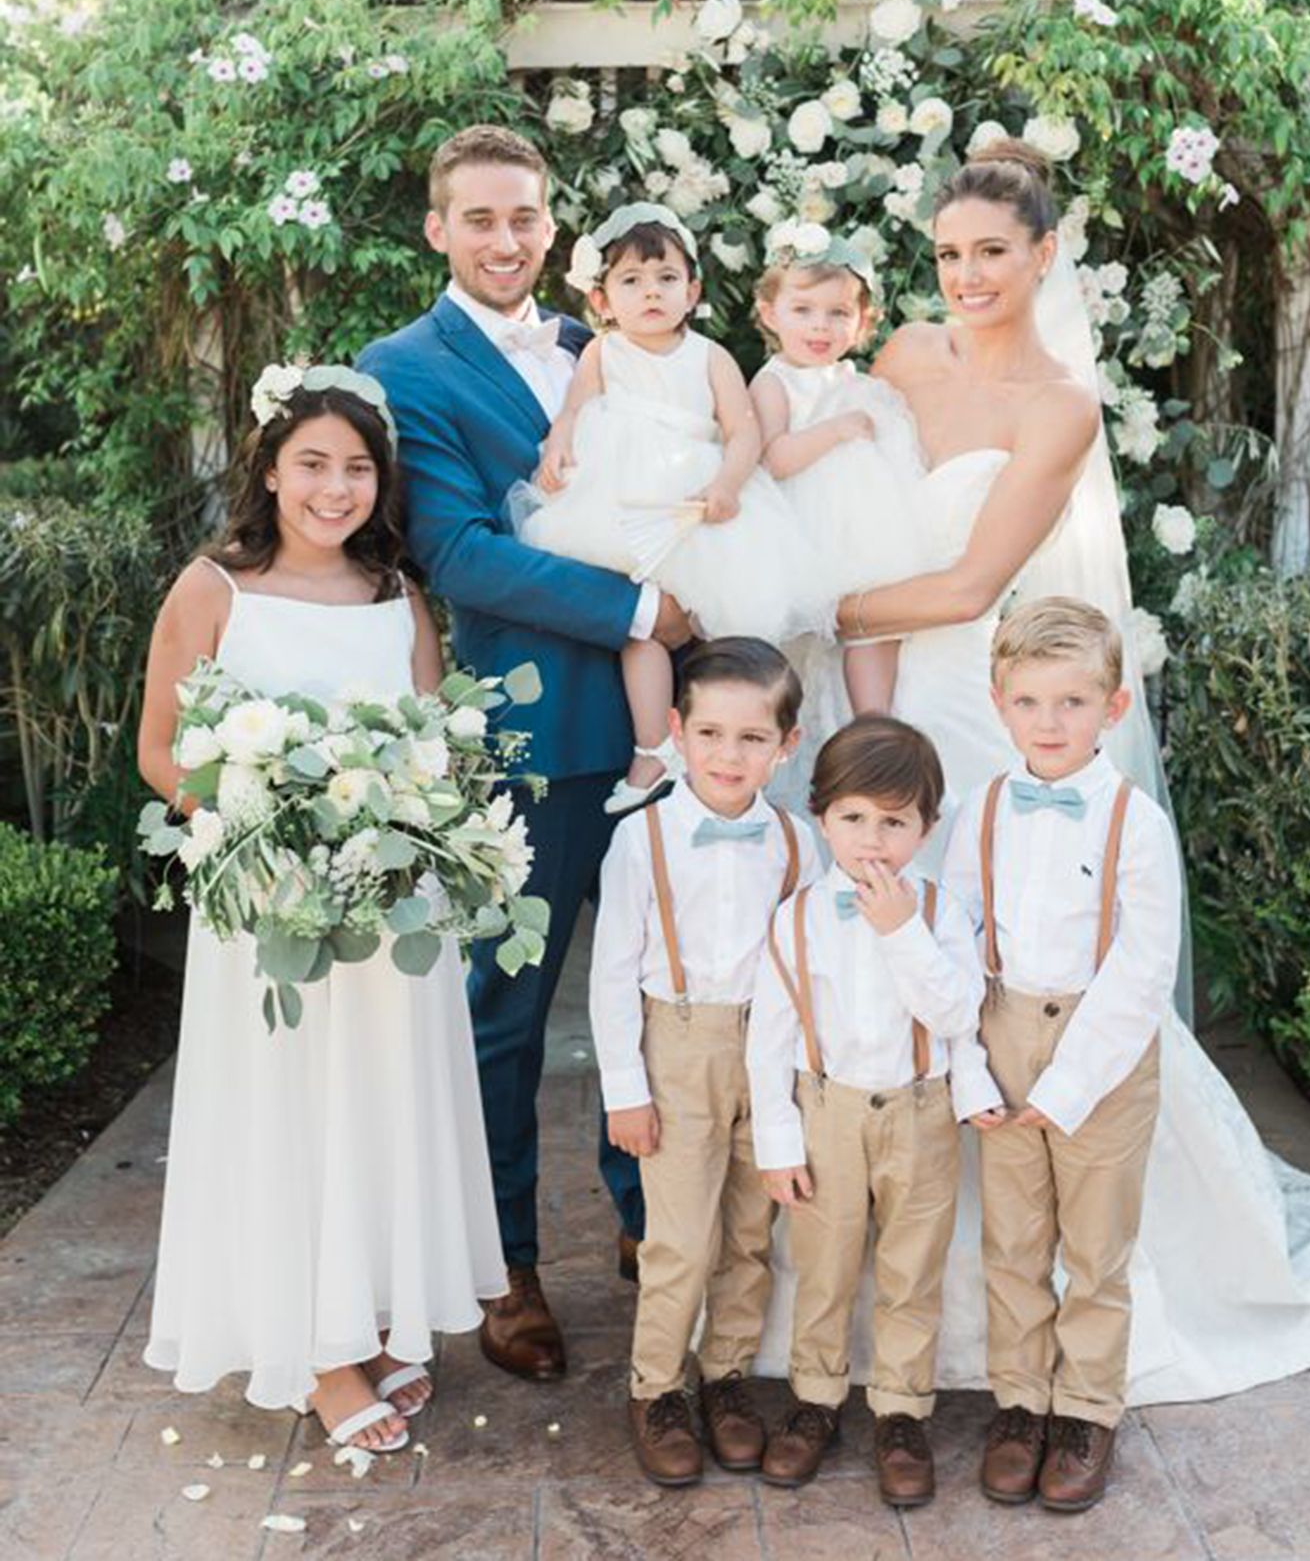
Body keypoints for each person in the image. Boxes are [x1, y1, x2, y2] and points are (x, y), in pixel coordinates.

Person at [756, 132, 1310, 1404]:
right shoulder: (896, 353)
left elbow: (966, 583)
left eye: (991, 253)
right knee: (859, 953)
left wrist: (804, 603)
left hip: (962, 693)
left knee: (1006, 959)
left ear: (1044, 254)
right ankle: (868, 1251)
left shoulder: (1059, 405)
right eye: (947, 253)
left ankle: (1037, 1274)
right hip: (862, 685)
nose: (964, 275)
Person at [358, 126, 689, 1384]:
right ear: (438, 229)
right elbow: (458, 554)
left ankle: (653, 1223)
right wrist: (645, 609)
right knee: (507, 1011)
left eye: (529, 217)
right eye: (481, 218)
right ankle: (505, 1262)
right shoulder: (401, 371)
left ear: (556, 228)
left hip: (669, 736)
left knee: (669, 995)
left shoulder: (612, 342)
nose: (508, 240)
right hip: (529, 736)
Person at [138, 366, 506, 1453]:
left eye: (356, 467)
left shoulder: (397, 596)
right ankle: (319, 1353)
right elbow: (161, 751)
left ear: (380, 481)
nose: (335, 487)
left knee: (383, 1105)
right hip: (273, 906)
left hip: (393, 905)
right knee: (295, 1112)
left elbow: (440, 741)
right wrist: (268, 814)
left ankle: (371, 1313)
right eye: (312, 464)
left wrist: (419, 815)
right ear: (269, 468)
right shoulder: (215, 588)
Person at [951, 599, 1180, 1512]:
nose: (1051, 724)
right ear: (1001, 704)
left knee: (1094, 1246)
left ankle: (1085, 1409)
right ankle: (1020, 1402)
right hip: (1002, 1026)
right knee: (1012, 1240)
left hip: (1104, 1048)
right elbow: (958, 938)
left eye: (1073, 703)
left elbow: (1143, 966)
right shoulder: (981, 810)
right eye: (1032, 702)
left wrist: (1074, 1081)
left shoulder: (1138, 823)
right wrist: (972, 1065)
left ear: (1113, 709)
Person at [590, 638, 818, 1486]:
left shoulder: (799, 842)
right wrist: (626, 1091)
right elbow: (612, 973)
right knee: (678, 1237)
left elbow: (810, 961)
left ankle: (726, 1377)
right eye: (712, 734)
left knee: (750, 1233)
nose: (730, 755)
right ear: (677, 732)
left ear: (785, 746)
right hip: (678, 1048)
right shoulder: (640, 840)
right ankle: (657, 1388)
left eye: (753, 739)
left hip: (773, 1051)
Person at [516, 203, 830, 814]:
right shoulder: (603, 354)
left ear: (693, 290)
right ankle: (653, 746)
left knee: (723, 633)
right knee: (640, 626)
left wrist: (729, 485)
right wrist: (557, 450)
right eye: (631, 281)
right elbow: (574, 413)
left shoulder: (709, 356)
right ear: (603, 300)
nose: (650, 293)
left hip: (695, 502)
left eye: (665, 278)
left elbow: (742, 431)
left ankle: (738, 749)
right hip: (619, 503)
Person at [748, 716, 986, 1509]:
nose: (872, 841)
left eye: (894, 822)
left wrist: (901, 933)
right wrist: (779, 1141)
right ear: (821, 818)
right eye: (853, 819)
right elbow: (771, 1039)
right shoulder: (796, 917)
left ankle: (901, 1412)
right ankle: (816, 1400)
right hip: (826, 1112)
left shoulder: (941, 911)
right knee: (824, 1265)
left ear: (926, 827)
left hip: (920, 1115)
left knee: (911, 1271)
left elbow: (955, 1011)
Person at [750, 241, 926, 716]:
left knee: (875, 619)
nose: (820, 326)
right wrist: (837, 430)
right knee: (800, 649)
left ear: (863, 321)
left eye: (838, 313)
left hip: (862, 530)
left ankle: (873, 719)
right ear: (770, 313)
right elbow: (774, 459)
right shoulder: (774, 382)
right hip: (803, 529)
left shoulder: (852, 379)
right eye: (803, 310)